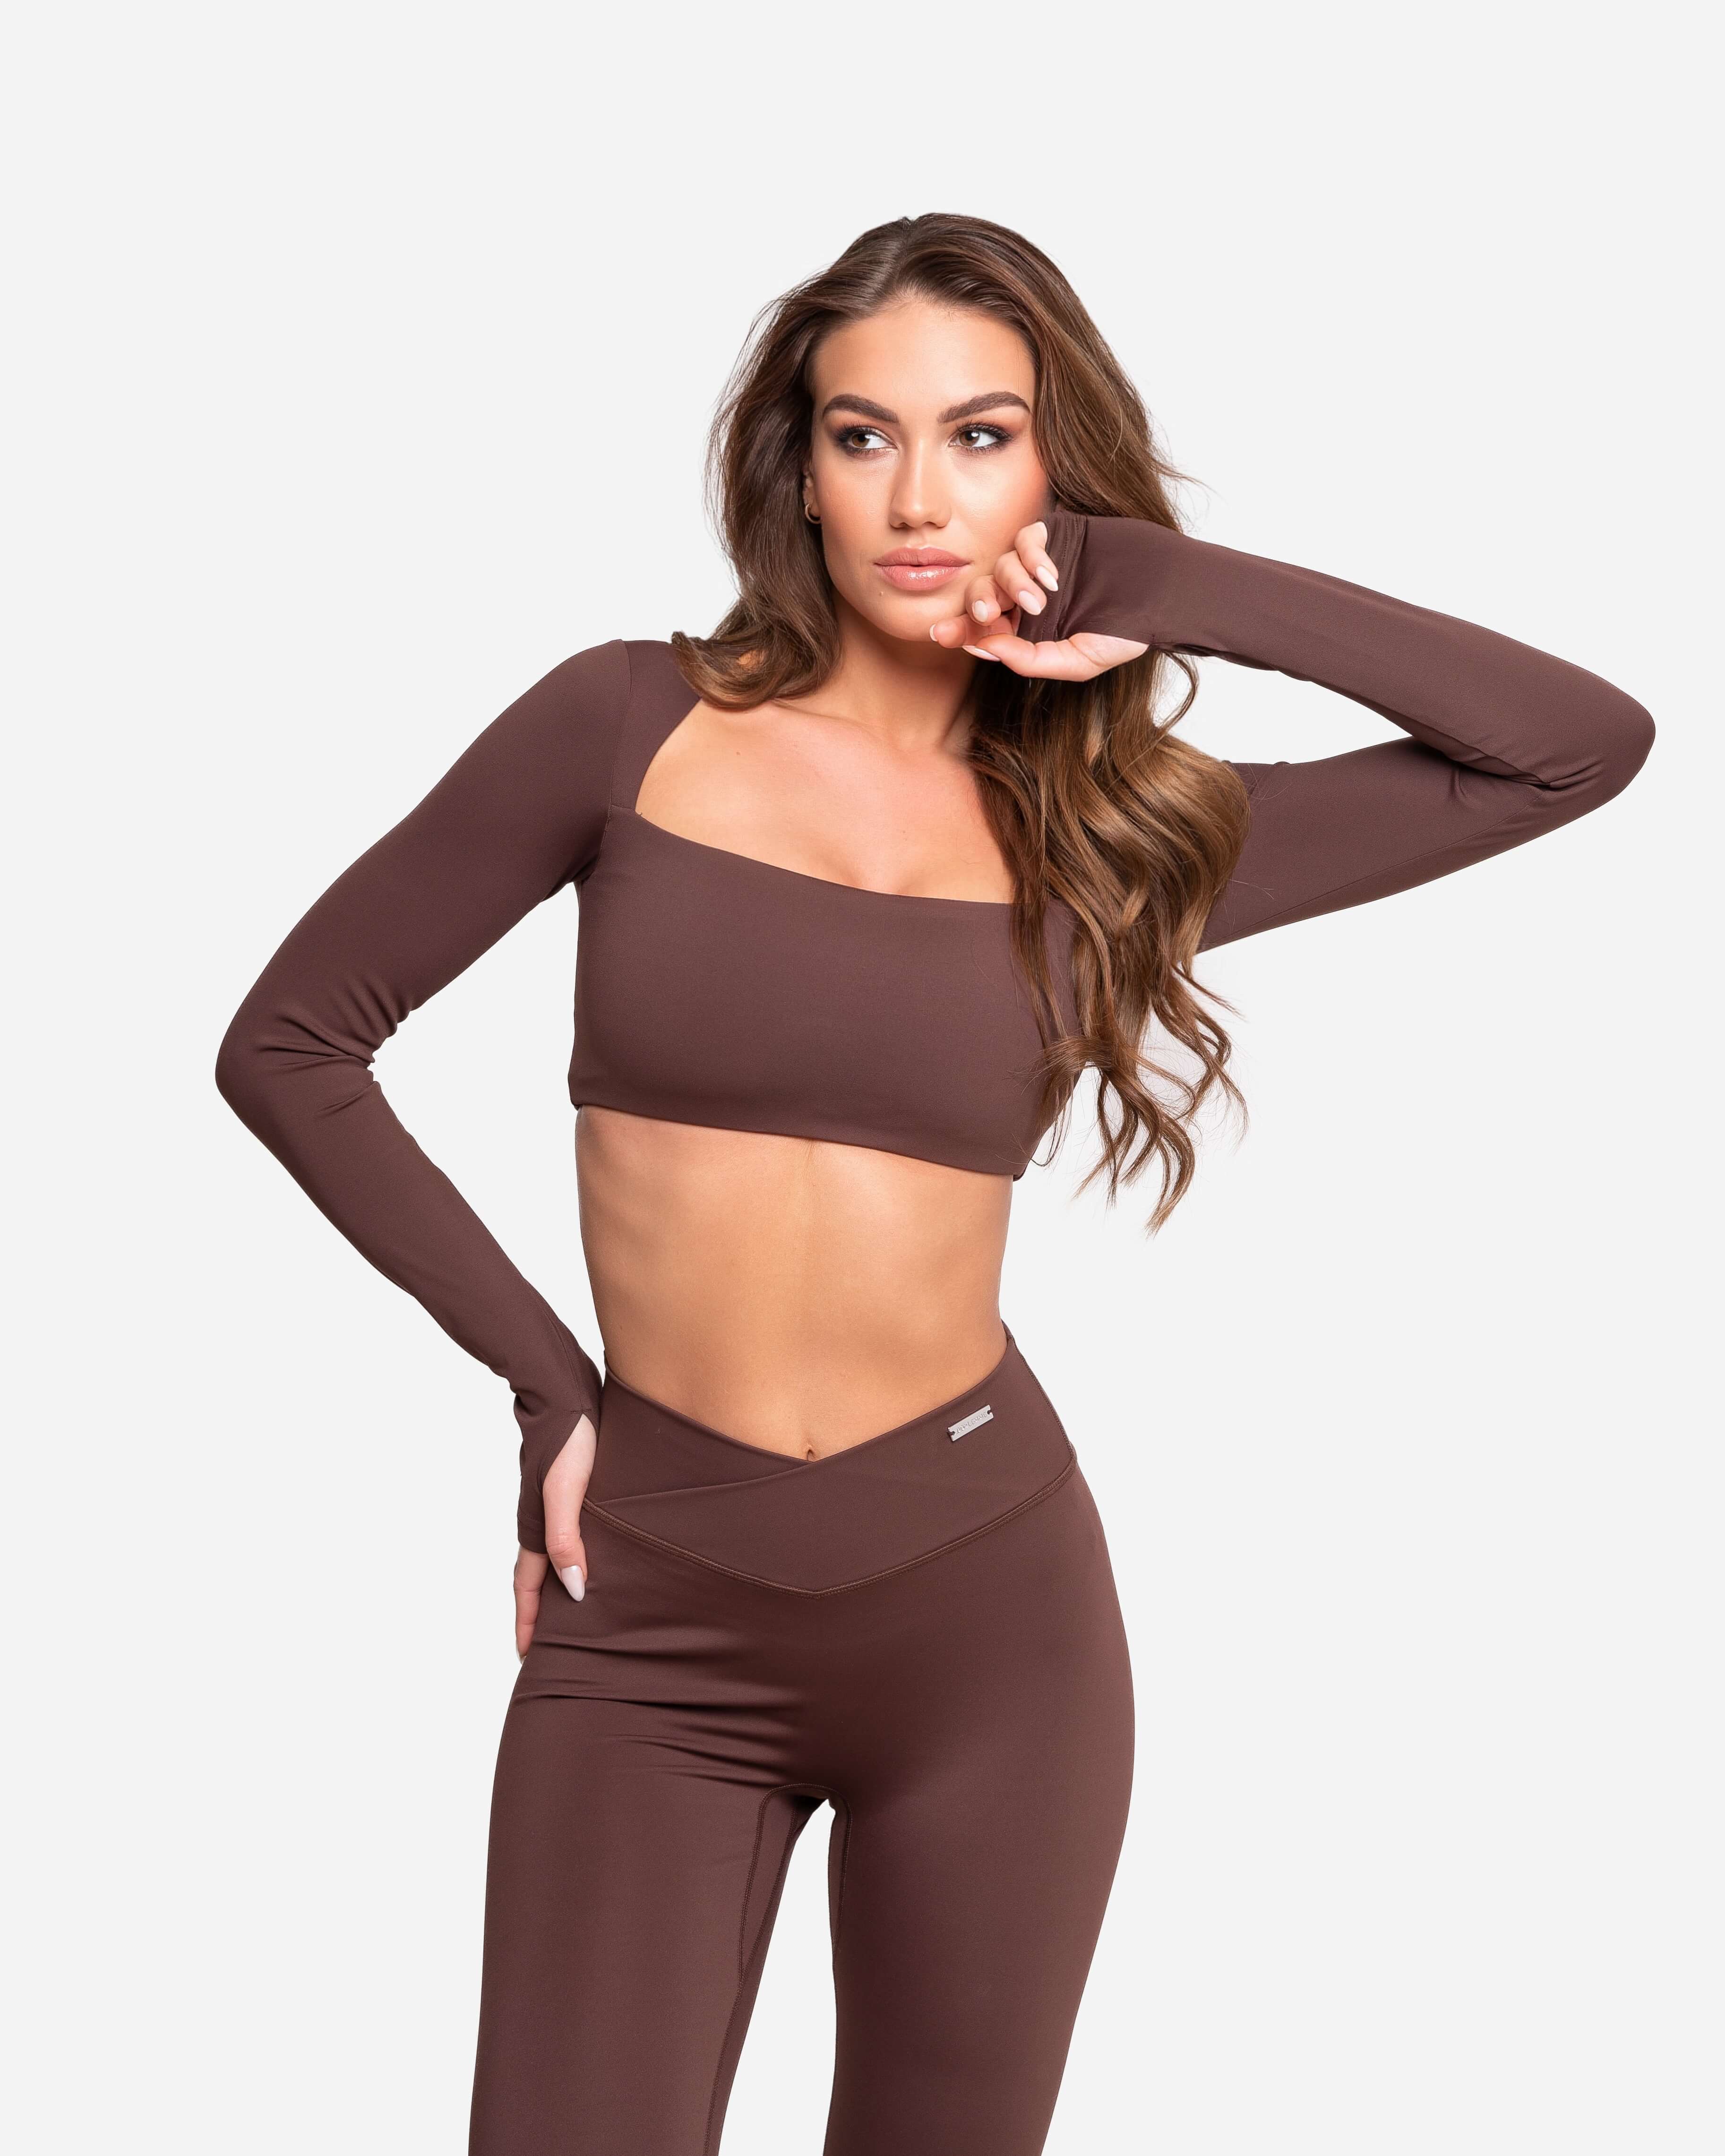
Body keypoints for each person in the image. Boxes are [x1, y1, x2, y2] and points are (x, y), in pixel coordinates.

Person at [215, 212, 1654, 2156]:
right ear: (796, 470)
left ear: (1057, 474)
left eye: (981, 437)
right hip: (654, 1601)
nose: (916, 498)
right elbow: (293, 1043)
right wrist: (546, 1384)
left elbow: (1573, 747)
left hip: (988, 1614)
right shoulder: (624, 728)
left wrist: (1176, 589)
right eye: (862, 435)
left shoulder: (1124, 839)